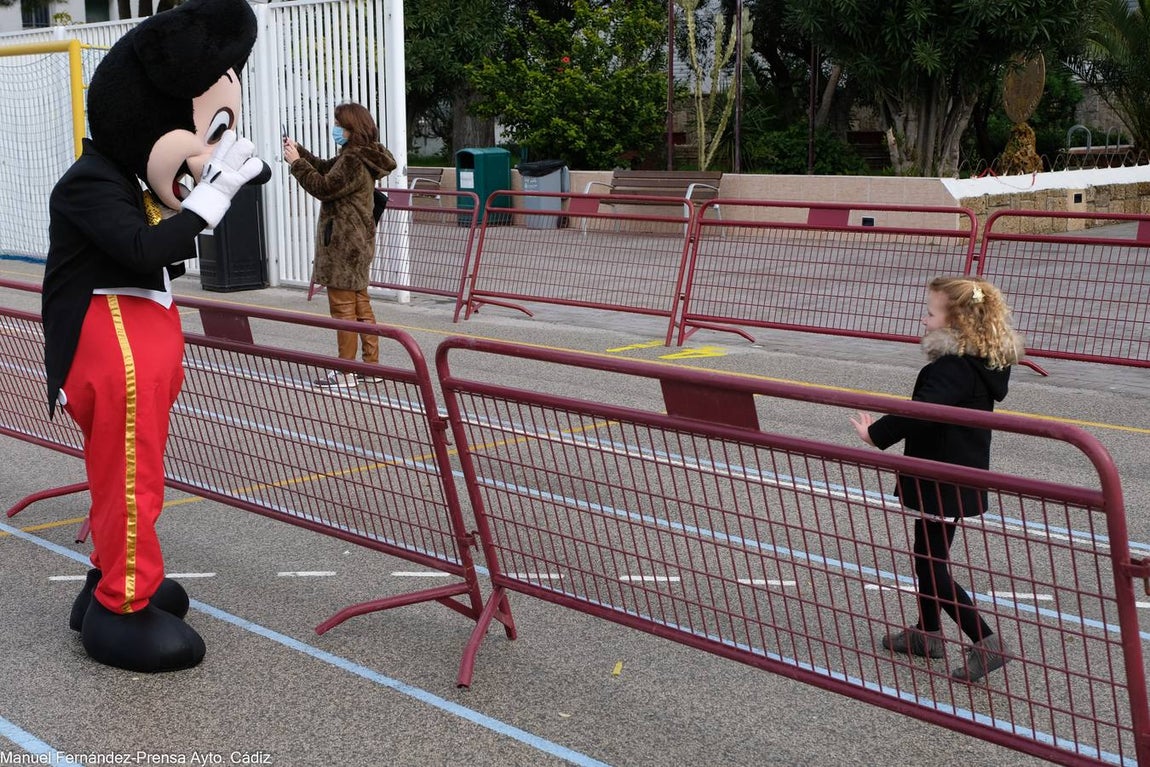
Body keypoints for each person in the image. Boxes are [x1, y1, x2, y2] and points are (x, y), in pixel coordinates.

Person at [43, 0, 268, 672]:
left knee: (129, 476)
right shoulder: (88, 183)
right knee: (130, 477)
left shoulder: (126, 179)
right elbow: (142, 250)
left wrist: (211, 182)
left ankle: (110, 575)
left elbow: (159, 245)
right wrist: (210, 198)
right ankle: (121, 601)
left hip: (136, 343)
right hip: (111, 350)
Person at [850, 276, 1024, 683]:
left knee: (931, 566)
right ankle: (927, 634)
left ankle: (986, 642)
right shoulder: (981, 363)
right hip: (954, 475)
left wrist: (875, 435)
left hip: (940, 478)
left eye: (931, 313)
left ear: (956, 324)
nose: (925, 319)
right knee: (927, 555)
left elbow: (922, 410)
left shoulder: (953, 367)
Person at [283, 103, 397, 388]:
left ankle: (345, 371)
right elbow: (326, 169)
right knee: (361, 303)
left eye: (338, 124)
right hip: (359, 240)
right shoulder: (360, 156)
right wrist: (301, 152)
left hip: (344, 243)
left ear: (350, 128)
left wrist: (296, 164)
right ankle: (371, 366)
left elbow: (323, 186)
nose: (335, 129)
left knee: (343, 307)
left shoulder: (352, 160)